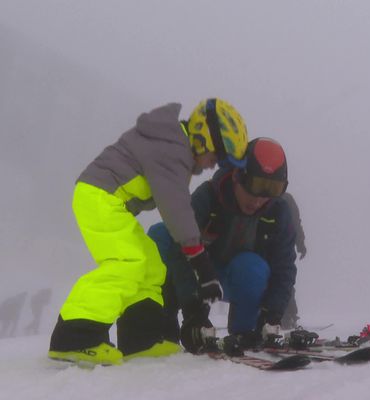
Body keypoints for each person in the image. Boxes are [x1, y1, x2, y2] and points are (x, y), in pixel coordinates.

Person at [48, 99, 248, 365]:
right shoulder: (173, 149)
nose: (213, 165)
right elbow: (176, 208)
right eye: (216, 156)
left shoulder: (173, 145)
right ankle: (76, 337)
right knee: (128, 262)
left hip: (106, 200)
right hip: (99, 197)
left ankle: (141, 338)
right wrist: (201, 263)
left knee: (152, 265)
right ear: (203, 137)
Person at [147, 137, 296, 355]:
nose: (258, 200)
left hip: (241, 278)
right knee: (161, 235)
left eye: (271, 190)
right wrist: (194, 313)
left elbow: (284, 268)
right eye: (254, 186)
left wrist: (271, 315)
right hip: (202, 274)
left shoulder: (278, 212)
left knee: (251, 266)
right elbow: (182, 254)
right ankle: (163, 327)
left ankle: (244, 332)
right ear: (237, 176)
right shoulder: (207, 197)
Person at [280, 192, 306, 329]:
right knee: (285, 283)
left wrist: (300, 243)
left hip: (284, 247)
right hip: (281, 247)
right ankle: (288, 316)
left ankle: (289, 316)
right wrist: (300, 244)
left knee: (285, 283)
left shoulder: (286, 199)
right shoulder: (286, 198)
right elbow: (296, 222)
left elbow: (296, 222)